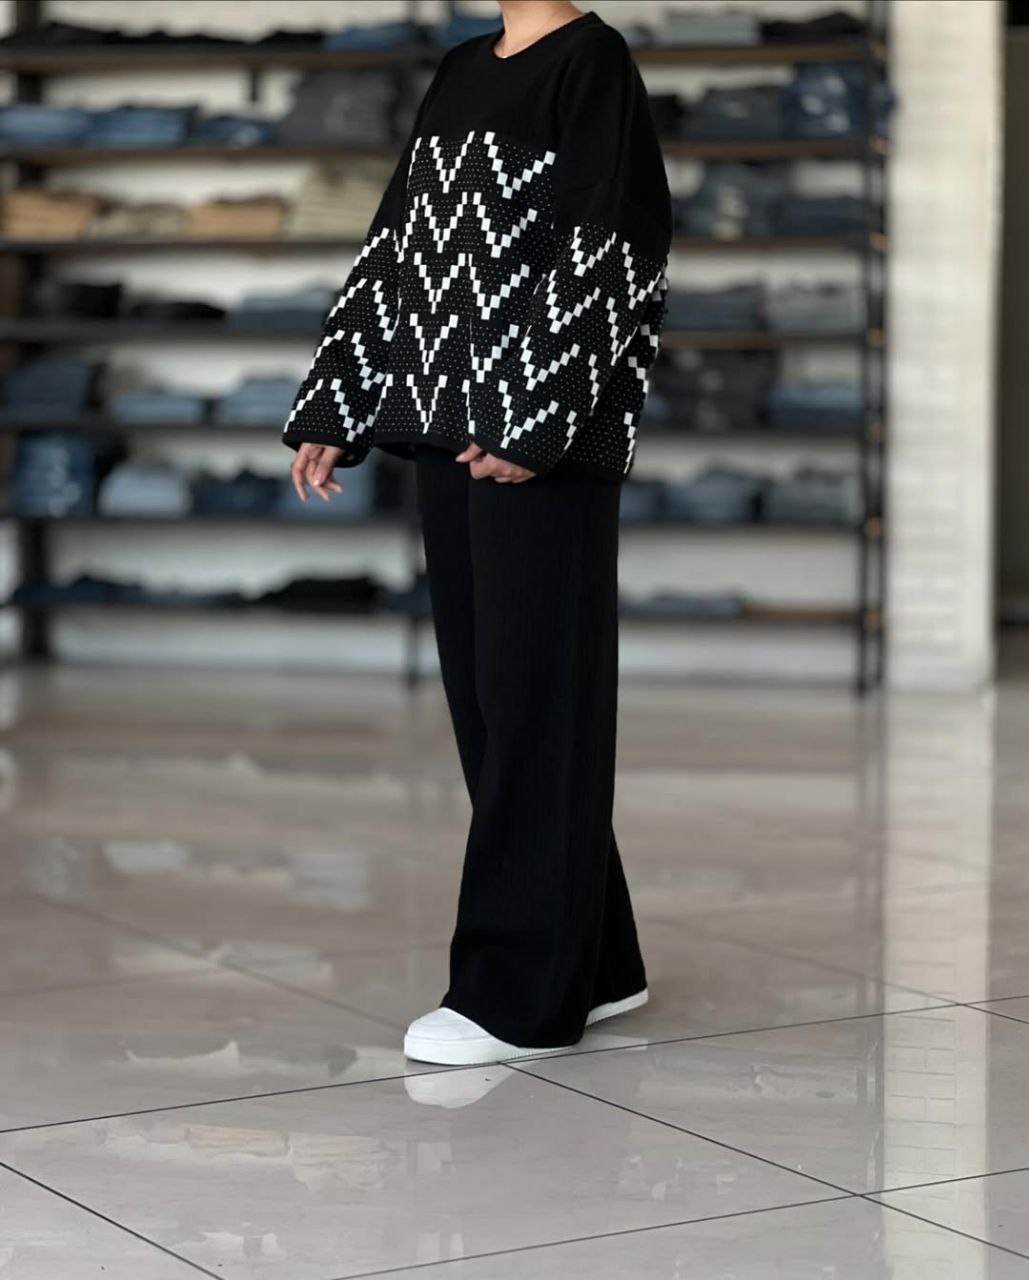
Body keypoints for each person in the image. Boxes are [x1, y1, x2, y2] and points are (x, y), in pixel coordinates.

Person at [283, 0, 671, 1065]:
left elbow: (614, 243)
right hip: (443, 430)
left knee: (536, 700)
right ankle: (597, 961)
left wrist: (534, 422)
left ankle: (517, 996)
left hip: (532, 443)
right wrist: (337, 402)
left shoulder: (592, 62)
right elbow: (400, 242)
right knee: (491, 704)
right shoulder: (461, 67)